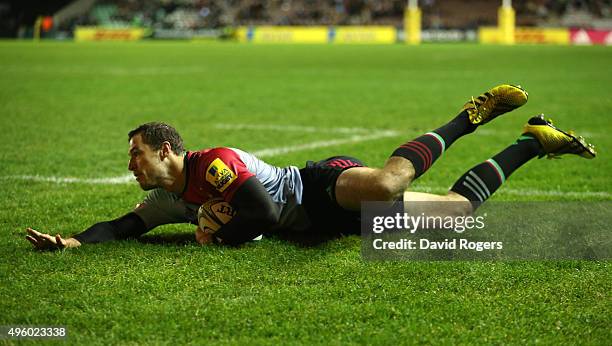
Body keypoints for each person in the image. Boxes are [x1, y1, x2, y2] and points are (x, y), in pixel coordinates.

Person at [25, 84, 596, 249]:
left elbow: (265, 210)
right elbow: (126, 226)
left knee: (389, 180)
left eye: (137, 155)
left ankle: (468, 117)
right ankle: (533, 142)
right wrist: (74, 240)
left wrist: (219, 234)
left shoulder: (216, 165)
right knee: (456, 211)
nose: (131, 165)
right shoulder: (166, 201)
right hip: (327, 226)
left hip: (317, 187)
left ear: (166, 151)